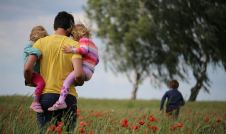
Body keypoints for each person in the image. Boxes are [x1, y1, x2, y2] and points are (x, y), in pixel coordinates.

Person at [24, 11, 84, 132]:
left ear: (54, 26)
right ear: (70, 28)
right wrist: (80, 81)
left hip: (46, 97)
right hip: (68, 98)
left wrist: (29, 80)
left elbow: (27, 68)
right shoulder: (75, 45)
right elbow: (78, 74)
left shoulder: (40, 43)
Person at [48, 24, 99, 111]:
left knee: (66, 81)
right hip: (90, 72)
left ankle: (61, 102)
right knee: (71, 79)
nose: (72, 38)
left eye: (72, 35)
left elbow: (83, 50)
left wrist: (71, 50)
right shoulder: (93, 45)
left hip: (84, 70)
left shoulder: (84, 40)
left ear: (76, 34)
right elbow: (97, 60)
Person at [23, 25, 48, 113]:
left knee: (42, 84)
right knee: (41, 83)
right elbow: (26, 49)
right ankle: (35, 102)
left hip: (36, 72)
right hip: (32, 72)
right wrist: (38, 51)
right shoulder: (31, 44)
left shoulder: (37, 45)